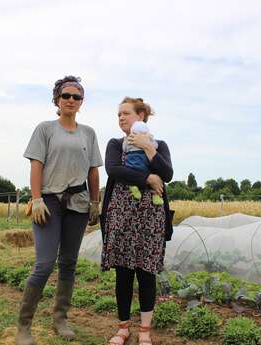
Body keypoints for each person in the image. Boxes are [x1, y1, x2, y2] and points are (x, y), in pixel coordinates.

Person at [15, 76, 103, 345]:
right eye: (66, 95)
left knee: (68, 262)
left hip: (77, 204)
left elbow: (93, 171)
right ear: (57, 99)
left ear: (81, 102)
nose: (71, 100)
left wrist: (95, 202)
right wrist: (37, 198)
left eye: (77, 97)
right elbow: (36, 165)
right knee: (44, 263)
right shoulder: (45, 129)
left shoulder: (88, 133)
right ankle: (24, 326)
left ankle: (60, 318)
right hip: (49, 204)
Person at [100, 97, 173, 345]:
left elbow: (168, 174)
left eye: (126, 113)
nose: (120, 117)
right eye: (118, 114)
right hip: (122, 215)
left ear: (140, 116)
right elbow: (114, 170)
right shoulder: (115, 144)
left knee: (146, 273)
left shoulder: (160, 145)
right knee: (123, 273)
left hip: (151, 218)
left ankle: (144, 330)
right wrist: (148, 179)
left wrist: (148, 148)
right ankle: (122, 328)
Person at [123, 120, 163, 205]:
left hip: (131, 166)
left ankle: (133, 186)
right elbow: (156, 146)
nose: (122, 118)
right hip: (144, 166)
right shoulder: (149, 138)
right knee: (155, 174)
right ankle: (156, 195)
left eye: (126, 113)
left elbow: (124, 148)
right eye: (120, 115)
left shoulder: (128, 139)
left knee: (132, 176)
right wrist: (149, 143)